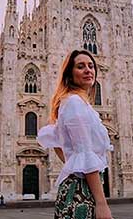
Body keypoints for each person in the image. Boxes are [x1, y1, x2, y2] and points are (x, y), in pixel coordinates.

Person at [38, 50, 113, 219]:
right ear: (69, 74)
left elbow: (56, 140)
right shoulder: (74, 103)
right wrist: (102, 203)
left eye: (91, 66)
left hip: (77, 189)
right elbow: (85, 153)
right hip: (81, 193)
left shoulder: (75, 102)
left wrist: (73, 163)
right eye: (80, 66)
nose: (88, 70)